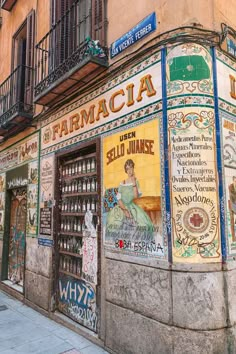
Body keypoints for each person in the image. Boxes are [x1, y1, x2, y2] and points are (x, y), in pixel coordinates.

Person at [106, 159, 154, 241]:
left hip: (132, 207)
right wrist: (124, 210)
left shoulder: (136, 182)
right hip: (121, 207)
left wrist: (134, 183)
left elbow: (135, 197)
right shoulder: (123, 183)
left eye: (131, 168)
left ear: (133, 169)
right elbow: (119, 199)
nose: (129, 171)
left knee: (144, 225)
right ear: (126, 170)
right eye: (127, 169)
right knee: (115, 224)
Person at [229, 176, 236, 242]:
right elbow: (232, 197)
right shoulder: (230, 187)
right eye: (235, 181)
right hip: (233, 203)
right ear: (233, 181)